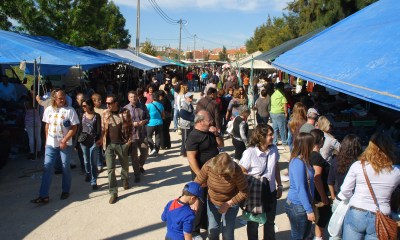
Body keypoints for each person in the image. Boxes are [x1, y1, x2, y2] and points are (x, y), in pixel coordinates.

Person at [338, 132, 400, 239]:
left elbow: (344, 191)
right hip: (380, 217)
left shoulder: (358, 166)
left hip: (357, 212)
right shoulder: (396, 172)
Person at [31, 89, 79, 204]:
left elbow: (74, 127)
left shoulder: (70, 110)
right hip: (51, 144)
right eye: (60, 98)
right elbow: (47, 126)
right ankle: (43, 195)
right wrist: (47, 141)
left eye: (64, 97)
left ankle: (65, 190)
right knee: (47, 168)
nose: (62, 100)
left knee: (65, 167)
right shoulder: (48, 110)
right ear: (54, 98)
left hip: (65, 145)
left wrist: (65, 140)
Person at [239, 124, 282, 240]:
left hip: (271, 191)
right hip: (256, 195)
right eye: (270, 135)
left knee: (270, 221)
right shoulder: (250, 153)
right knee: (253, 224)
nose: (273, 137)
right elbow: (241, 172)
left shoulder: (273, 149)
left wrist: (280, 185)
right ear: (261, 137)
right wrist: (256, 180)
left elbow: (276, 167)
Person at [195, 152, 248, 240]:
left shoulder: (236, 171)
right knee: (213, 231)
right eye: (217, 171)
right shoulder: (209, 165)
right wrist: (194, 200)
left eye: (223, 173)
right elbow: (197, 183)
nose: (219, 175)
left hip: (231, 204)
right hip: (212, 202)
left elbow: (244, 192)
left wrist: (228, 204)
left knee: (228, 234)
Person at [185, 110, 220, 238]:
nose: (211, 121)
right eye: (209, 120)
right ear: (200, 121)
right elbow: (191, 158)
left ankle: (206, 224)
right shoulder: (193, 136)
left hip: (214, 173)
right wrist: (200, 176)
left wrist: (216, 134)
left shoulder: (209, 132)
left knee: (211, 199)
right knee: (198, 202)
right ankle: (194, 231)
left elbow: (220, 145)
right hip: (201, 175)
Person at [101, 94, 133, 204]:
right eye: (106, 103)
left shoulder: (125, 112)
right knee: (110, 169)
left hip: (122, 143)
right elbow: (103, 128)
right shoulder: (105, 113)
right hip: (109, 145)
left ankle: (125, 179)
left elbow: (130, 127)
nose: (107, 105)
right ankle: (113, 192)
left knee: (124, 165)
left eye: (109, 103)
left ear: (115, 103)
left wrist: (129, 142)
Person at [285, 132, 316, 239]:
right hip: (297, 206)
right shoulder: (298, 162)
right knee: (298, 237)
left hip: (303, 205)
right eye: (312, 143)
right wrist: (309, 210)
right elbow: (301, 188)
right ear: (306, 145)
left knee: (305, 236)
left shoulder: (305, 160)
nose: (314, 145)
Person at [309, 129, 331, 240]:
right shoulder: (316, 157)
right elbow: (316, 178)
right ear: (321, 140)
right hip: (319, 196)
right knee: (321, 221)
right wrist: (324, 198)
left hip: (315, 194)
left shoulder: (309, 154)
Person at [124, 90, 149, 183]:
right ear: (128, 98)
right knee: (134, 156)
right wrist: (131, 124)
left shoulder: (143, 106)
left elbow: (148, 117)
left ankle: (140, 165)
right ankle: (137, 174)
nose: (133, 98)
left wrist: (144, 121)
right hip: (132, 136)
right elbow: (122, 123)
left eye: (135, 96)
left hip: (142, 134)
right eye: (131, 97)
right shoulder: (125, 109)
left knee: (145, 152)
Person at [327, 134, 362, 201]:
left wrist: (333, 197)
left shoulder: (335, 161)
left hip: (339, 197)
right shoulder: (358, 164)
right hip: (356, 198)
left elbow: (330, 181)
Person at [78, 98, 101, 190]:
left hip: (94, 141)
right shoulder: (81, 116)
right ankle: (88, 173)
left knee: (93, 162)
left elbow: (99, 129)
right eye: (82, 105)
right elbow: (79, 129)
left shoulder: (97, 116)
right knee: (86, 160)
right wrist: (76, 143)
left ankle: (94, 180)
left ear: (90, 105)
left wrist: (99, 140)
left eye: (84, 105)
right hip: (83, 141)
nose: (83, 107)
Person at [269, 82, 288, 149]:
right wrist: (286, 113)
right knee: (282, 128)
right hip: (279, 113)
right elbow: (285, 105)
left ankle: (274, 141)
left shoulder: (273, 94)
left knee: (275, 128)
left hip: (273, 112)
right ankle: (284, 142)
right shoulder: (282, 94)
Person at [146, 91, 164, 156]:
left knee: (148, 136)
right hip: (159, 122)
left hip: (151, 123)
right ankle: (156, 150)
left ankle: (152, 148)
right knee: (158, 137)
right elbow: (163, 115)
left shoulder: (149, 105)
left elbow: (146, 114)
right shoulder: (161, 105)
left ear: (152, 98)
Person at [92, 93, 106, 172]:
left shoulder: (104, 109)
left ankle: (103, 160)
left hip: (104, 130)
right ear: (93, 101)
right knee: (98, 148)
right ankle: (99, 163)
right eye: (98, 100)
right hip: (97, 131)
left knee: (104, 147)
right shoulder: (92, 110)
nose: (100, 101)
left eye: (101, 100)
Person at [179, 92, 195, 157]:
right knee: (185, 138)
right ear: (186, 98)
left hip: (189, 124)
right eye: (190, 97)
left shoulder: (189, 103)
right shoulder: (184, 104)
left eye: (192, 96)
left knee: (189, 138)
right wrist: (192, 118)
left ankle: (186, 151)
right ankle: (183, 152)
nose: (191, 98)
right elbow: (182, 114)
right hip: (186, 124)